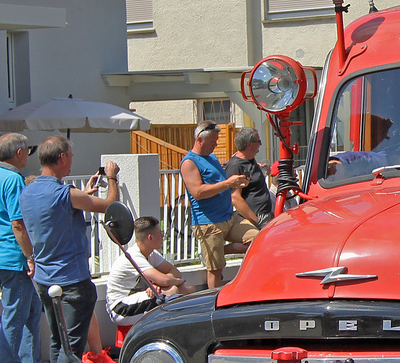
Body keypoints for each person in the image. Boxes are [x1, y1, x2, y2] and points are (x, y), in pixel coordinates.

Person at [19, 136, 120, 363]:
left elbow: (28, 224)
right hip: (72, 279)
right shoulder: (66, 194)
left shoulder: (29, 191)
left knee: (57, 340)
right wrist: (111, 177)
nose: (73, 160)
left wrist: (31, 256)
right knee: (72, 344)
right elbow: (110, 205)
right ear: (62, 158)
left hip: (44, 277)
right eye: (71, 156)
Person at [0, 133, 47, 363]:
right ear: (19, 153)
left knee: (30, 310)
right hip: (12, 257)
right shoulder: (13, 180)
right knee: (16, 314)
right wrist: (30, 256)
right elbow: (18, 223)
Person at [181, 121, 253, 290]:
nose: (215, 144)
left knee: (256, 240)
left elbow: (219, 184)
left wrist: (236, 184)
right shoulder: (189, 162)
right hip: (209, 222)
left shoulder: (212, 158)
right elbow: (198, 192)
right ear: (200, 139)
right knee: (215, 270)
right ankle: (214, 303)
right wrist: (228, 183)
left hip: (228, 216)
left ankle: (222, 250)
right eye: (213, 141)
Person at [105, 216, 195, 326]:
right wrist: (171, 281)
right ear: (150, 237)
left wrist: (157, 284)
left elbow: (174, 271)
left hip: (138, 297)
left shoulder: (152, 253)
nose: (163, 236)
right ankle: (170, 327)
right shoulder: (134, 256)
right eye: (160, 233)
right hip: (121, 308)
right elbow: (165, 280)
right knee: (172, 291)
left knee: (189, 287)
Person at [224, 126, 275, 230]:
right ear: (249, 144)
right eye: (258, 141)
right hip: (255, 219)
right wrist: (256, 221)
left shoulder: (250, 160)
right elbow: (235, 198)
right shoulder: (236, 165)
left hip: (265, 216)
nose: (260, 144)